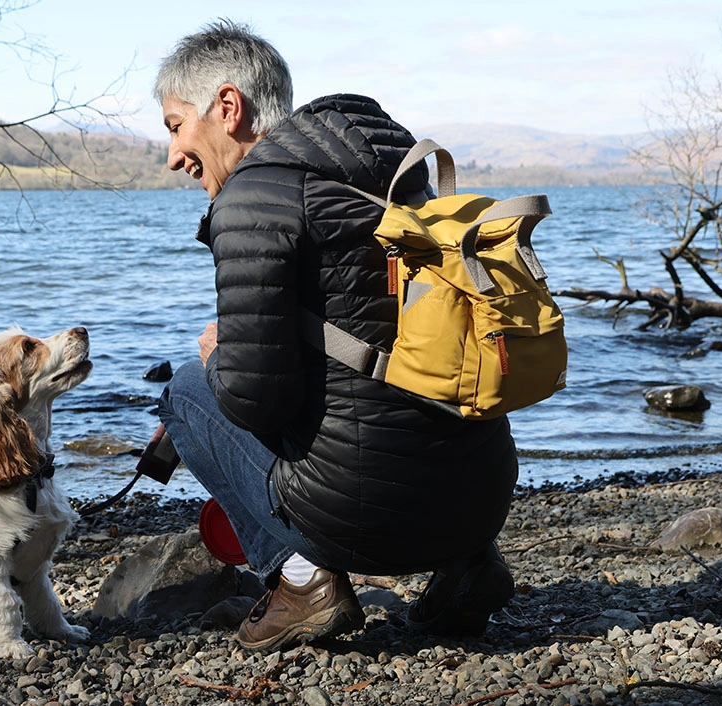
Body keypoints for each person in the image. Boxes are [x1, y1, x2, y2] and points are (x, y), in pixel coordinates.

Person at [153, 20, 518, 652]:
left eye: (176, 125)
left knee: (185, 390)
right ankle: (467, 569)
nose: (173, 154)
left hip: (371, 520)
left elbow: (254, 401)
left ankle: (303, 584)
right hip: (482, 497)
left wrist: (219, 363)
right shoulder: (395, 173)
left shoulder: (251, 199)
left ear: (228, 107)